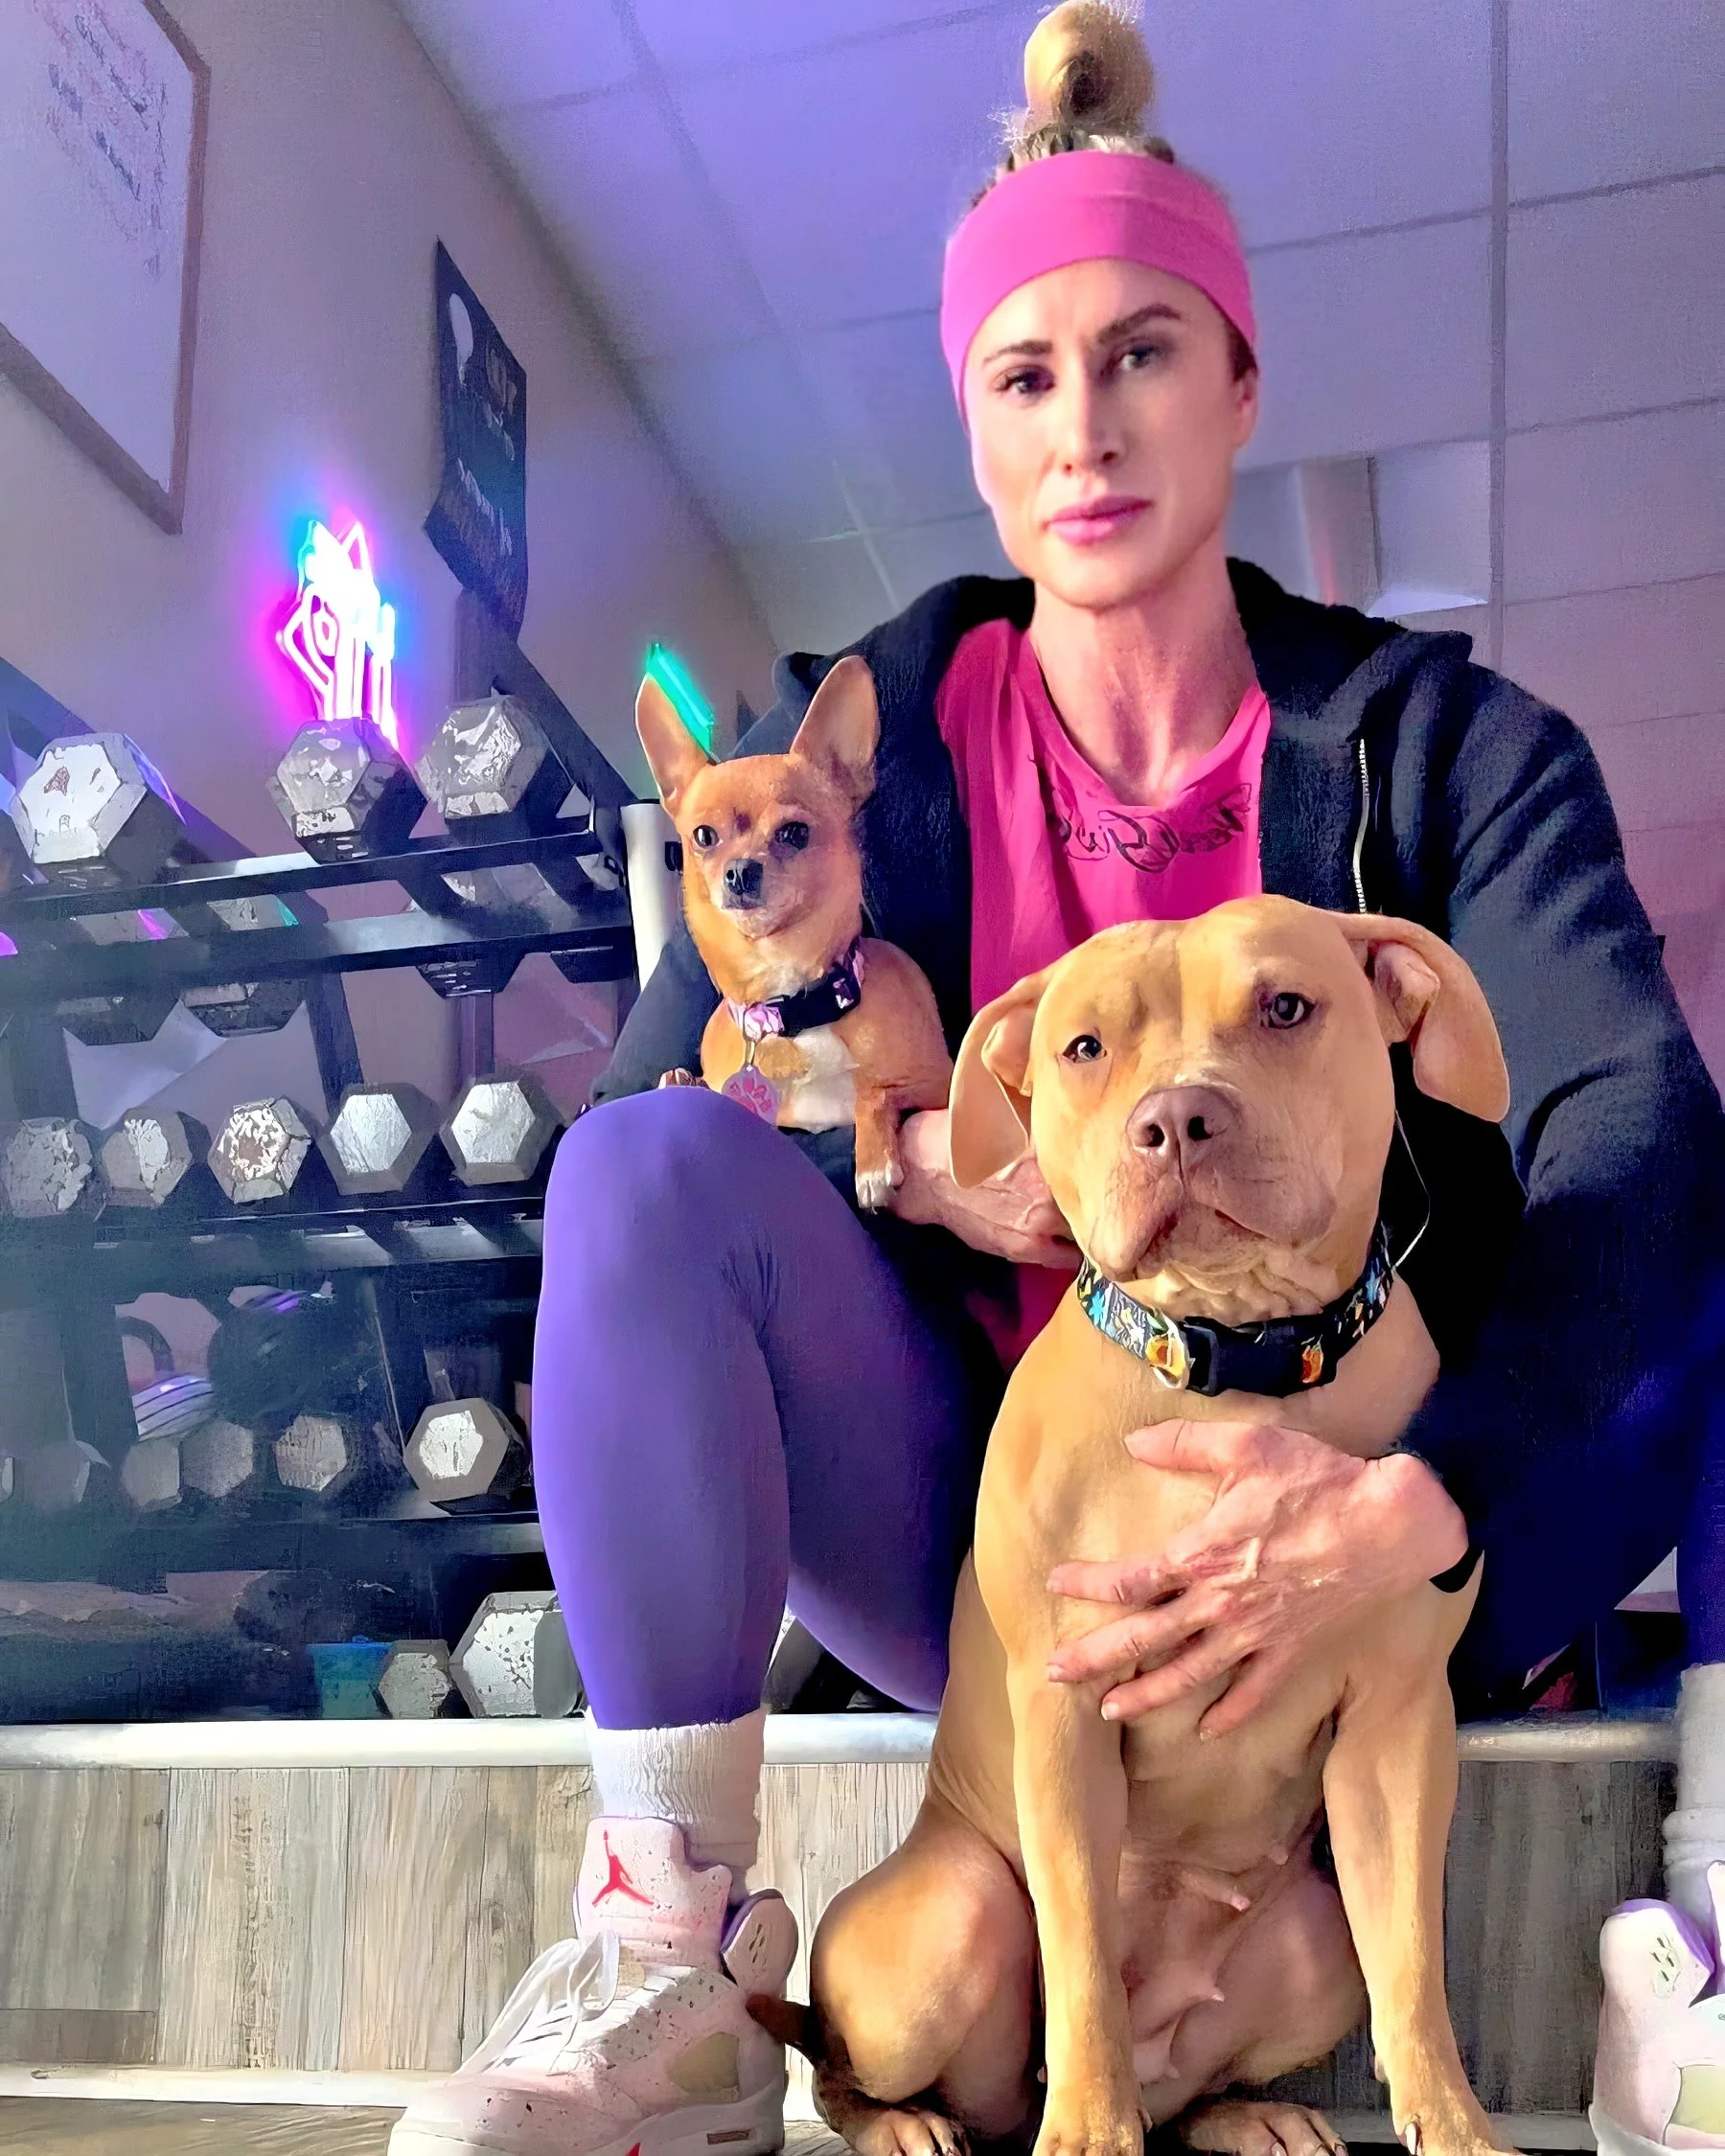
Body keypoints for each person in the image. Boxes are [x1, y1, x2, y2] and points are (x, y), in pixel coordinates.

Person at [388, 8, 1724, 2154]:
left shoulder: (1448, 750)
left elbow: (1634, 1140)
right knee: (633, 1176)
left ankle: (1698, 1933)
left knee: (1696, 1200)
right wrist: (921, 1160)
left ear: (1242, 382)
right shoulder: (878, 736)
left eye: (1145, 354)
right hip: (1000, 1547)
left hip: (1385, 1529)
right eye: (1027, 375)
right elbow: (675, 1115)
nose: (1087, 427)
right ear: (975, 426)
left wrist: (1423, 1484)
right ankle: (680, 1950)